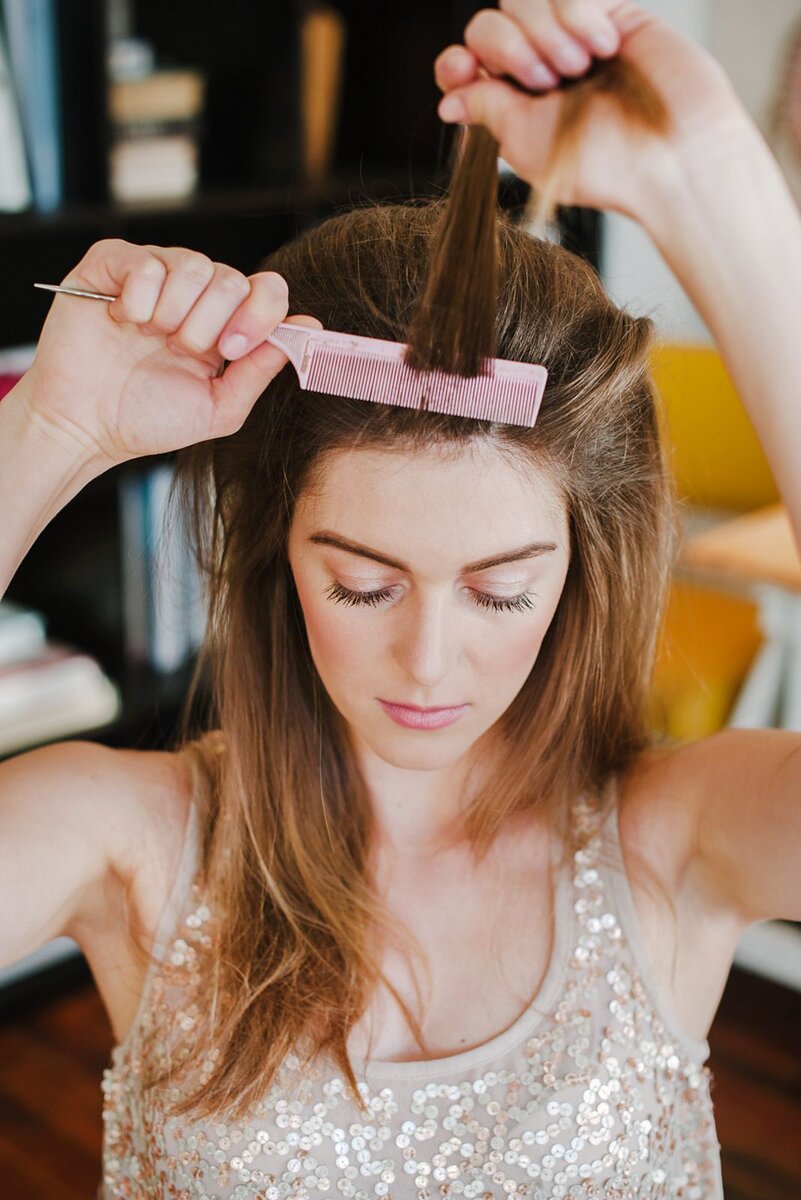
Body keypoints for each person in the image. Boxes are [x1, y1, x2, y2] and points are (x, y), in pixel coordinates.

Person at [1, 2, 799, 1195]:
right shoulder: (131, 841)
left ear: (581, 570)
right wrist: (50, 432)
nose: (427, 661)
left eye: (501, 594)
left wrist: (715, 189)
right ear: (278, 554)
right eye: (362, 583)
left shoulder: (675, 842)